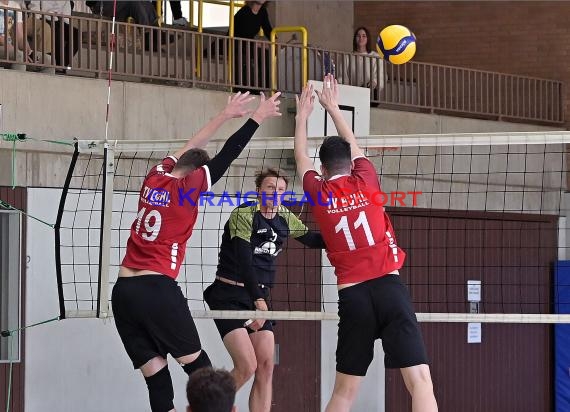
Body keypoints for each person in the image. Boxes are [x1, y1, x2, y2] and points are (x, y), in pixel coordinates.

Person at [113, 90, 282, 412]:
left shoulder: (154, 177)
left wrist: (223, 115)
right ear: (197, 176)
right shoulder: (189, 187)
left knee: (158, 382)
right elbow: (228, 154)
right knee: (203, 376)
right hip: (156, 289)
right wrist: (257, 116)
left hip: (123, 292)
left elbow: (189, 148)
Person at [294, 74, 438, 412]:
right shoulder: (367, 178)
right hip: (389, 288)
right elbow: (353, 144)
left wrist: (303, 116)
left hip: (353, 295)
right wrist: (334, 107)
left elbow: (301, 157)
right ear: (351, 163)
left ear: (324, 169)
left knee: (343, 392)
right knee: (420, 382)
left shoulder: (319, 191)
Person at [203, 168, 325, 412]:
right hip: (229, 295)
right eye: (270, 188)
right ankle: (206, 408)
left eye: (280, 190)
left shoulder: (284, 216)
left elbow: (311, 239)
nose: (276, 193)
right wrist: (258, 300)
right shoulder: (245, 214)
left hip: (257, 297)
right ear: (259, 191)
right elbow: (245, 261)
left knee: (266, 365)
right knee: (247, 366)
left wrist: (345, 234)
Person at [232, 0, 272, 93]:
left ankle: (263, 87)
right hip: (237, 43)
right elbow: (240, 34)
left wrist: (275, 42)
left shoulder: (262, 11)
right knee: (256, 52)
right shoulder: (243, 12)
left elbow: (268, 30)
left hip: (249, 44)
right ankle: (243, 88)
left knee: (266, 53)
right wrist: (256, 43)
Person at [26, 1, 79, 67]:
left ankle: (63, 64)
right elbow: (34, 9)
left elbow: (66, 17)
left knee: (76, 33)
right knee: (56, 28)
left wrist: (61, 20)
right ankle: (56, 63)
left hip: (57, 20)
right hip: (42, 18)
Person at [341, 27, 382, 99]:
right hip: (352, 93)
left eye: (364, 36)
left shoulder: (375, 56)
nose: (361, 38)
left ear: (368, 39)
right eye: (358, 36)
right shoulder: (348, 57)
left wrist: (374, 82)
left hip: (370, 93)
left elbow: (380, 75)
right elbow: (343, 76)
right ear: (355, 39)